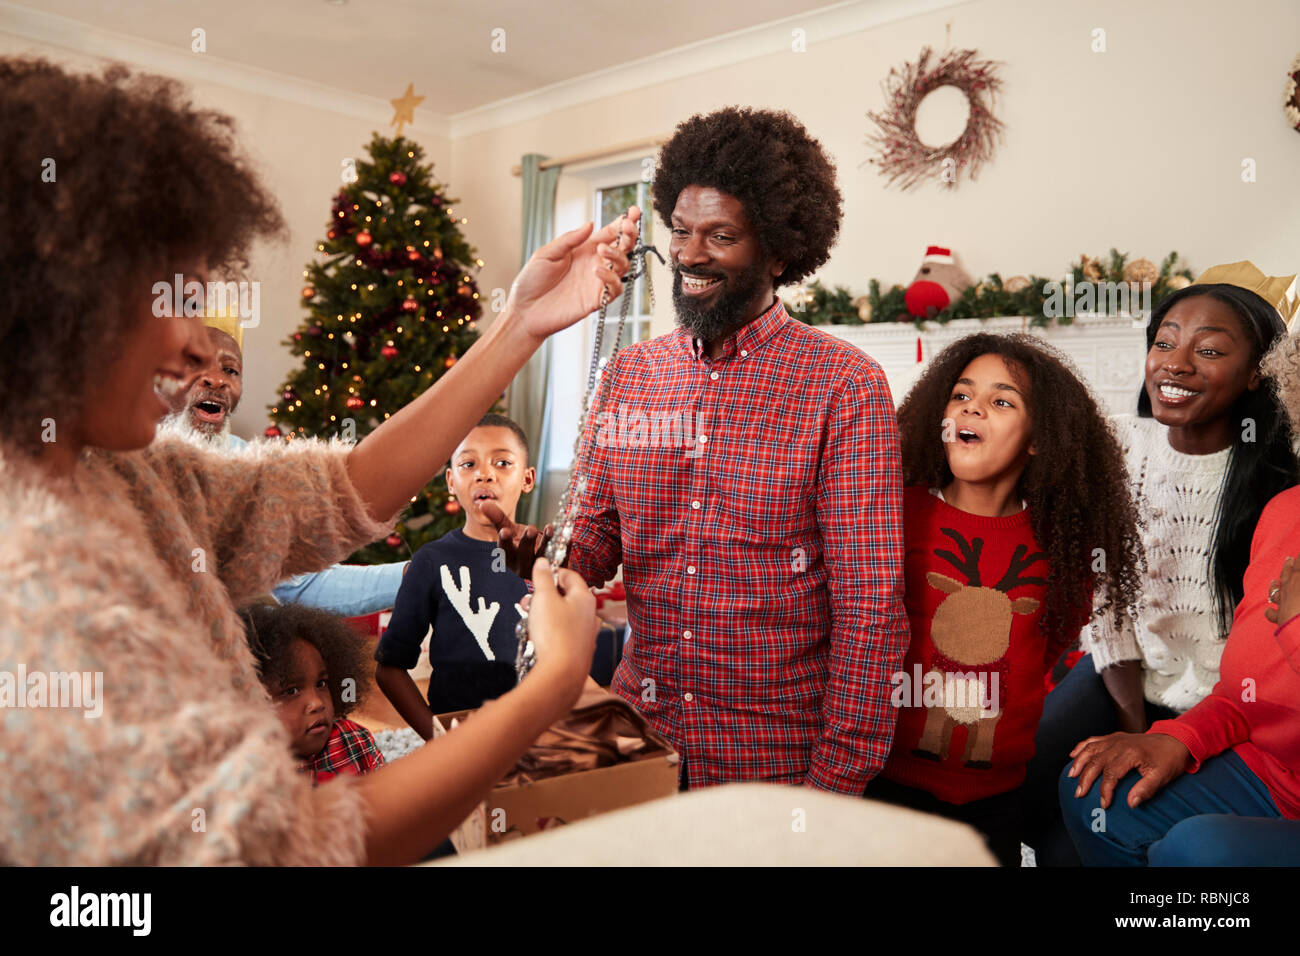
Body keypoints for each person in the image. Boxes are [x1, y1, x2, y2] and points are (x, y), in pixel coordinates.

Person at [0, 56, 636, 865]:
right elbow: (288, 847)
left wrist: (517, 328)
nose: (201, 348)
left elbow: (336, 492)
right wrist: (551, 686)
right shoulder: (34, 584)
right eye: (169, 302)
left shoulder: (122, 468)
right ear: (51, 306)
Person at [488, 106, 910, 795]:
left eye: (721, 235)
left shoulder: (845, 386)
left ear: (777, 250)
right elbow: (595, 542)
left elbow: (871, 609)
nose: (688, 254)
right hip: (640, 735)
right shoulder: (630, 374)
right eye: (680, 231)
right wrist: (543, 553)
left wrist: (837, 783)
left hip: (774, 762)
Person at [1023, 261, 1300, 864]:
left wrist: (1181, 739)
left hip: (1228, 704)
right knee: (1033, 767)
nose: (1174, 363)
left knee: (1154, 817)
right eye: (1164, 342)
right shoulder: (1119, 445)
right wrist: (1133, 721)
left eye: (1208, 351)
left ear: (1259, 374)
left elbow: (1263, 666)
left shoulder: (1276, 486)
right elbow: (1108, 602)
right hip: (1129, 673)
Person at [866, 334, 1141, 866]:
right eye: (962, 395)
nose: (972, 407)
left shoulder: (1062, 542)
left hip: (994, 799)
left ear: (1039, 437)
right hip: (884, 784)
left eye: (1002, 401)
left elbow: (1053, 639)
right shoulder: (895, 509)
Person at [163, 310, 408, 617]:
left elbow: (301, 586)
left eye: (231, 370)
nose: (217, 380)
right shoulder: (114, 462)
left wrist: (413, 575)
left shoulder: (249, 466)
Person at [375, 414, 536, 735]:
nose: (485, 475)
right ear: (451, 481)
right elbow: (390, 667)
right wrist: (436, 736)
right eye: (468, 465)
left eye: (502, 463)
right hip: (460, 738)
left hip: (534, 731)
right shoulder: (431, 562)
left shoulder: (544, 557)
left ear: (527, 479)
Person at [239, 602, 385, 784]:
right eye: (291, 691)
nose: (317, 702)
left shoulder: (352, 740)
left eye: (321, 683)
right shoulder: (245, 775)